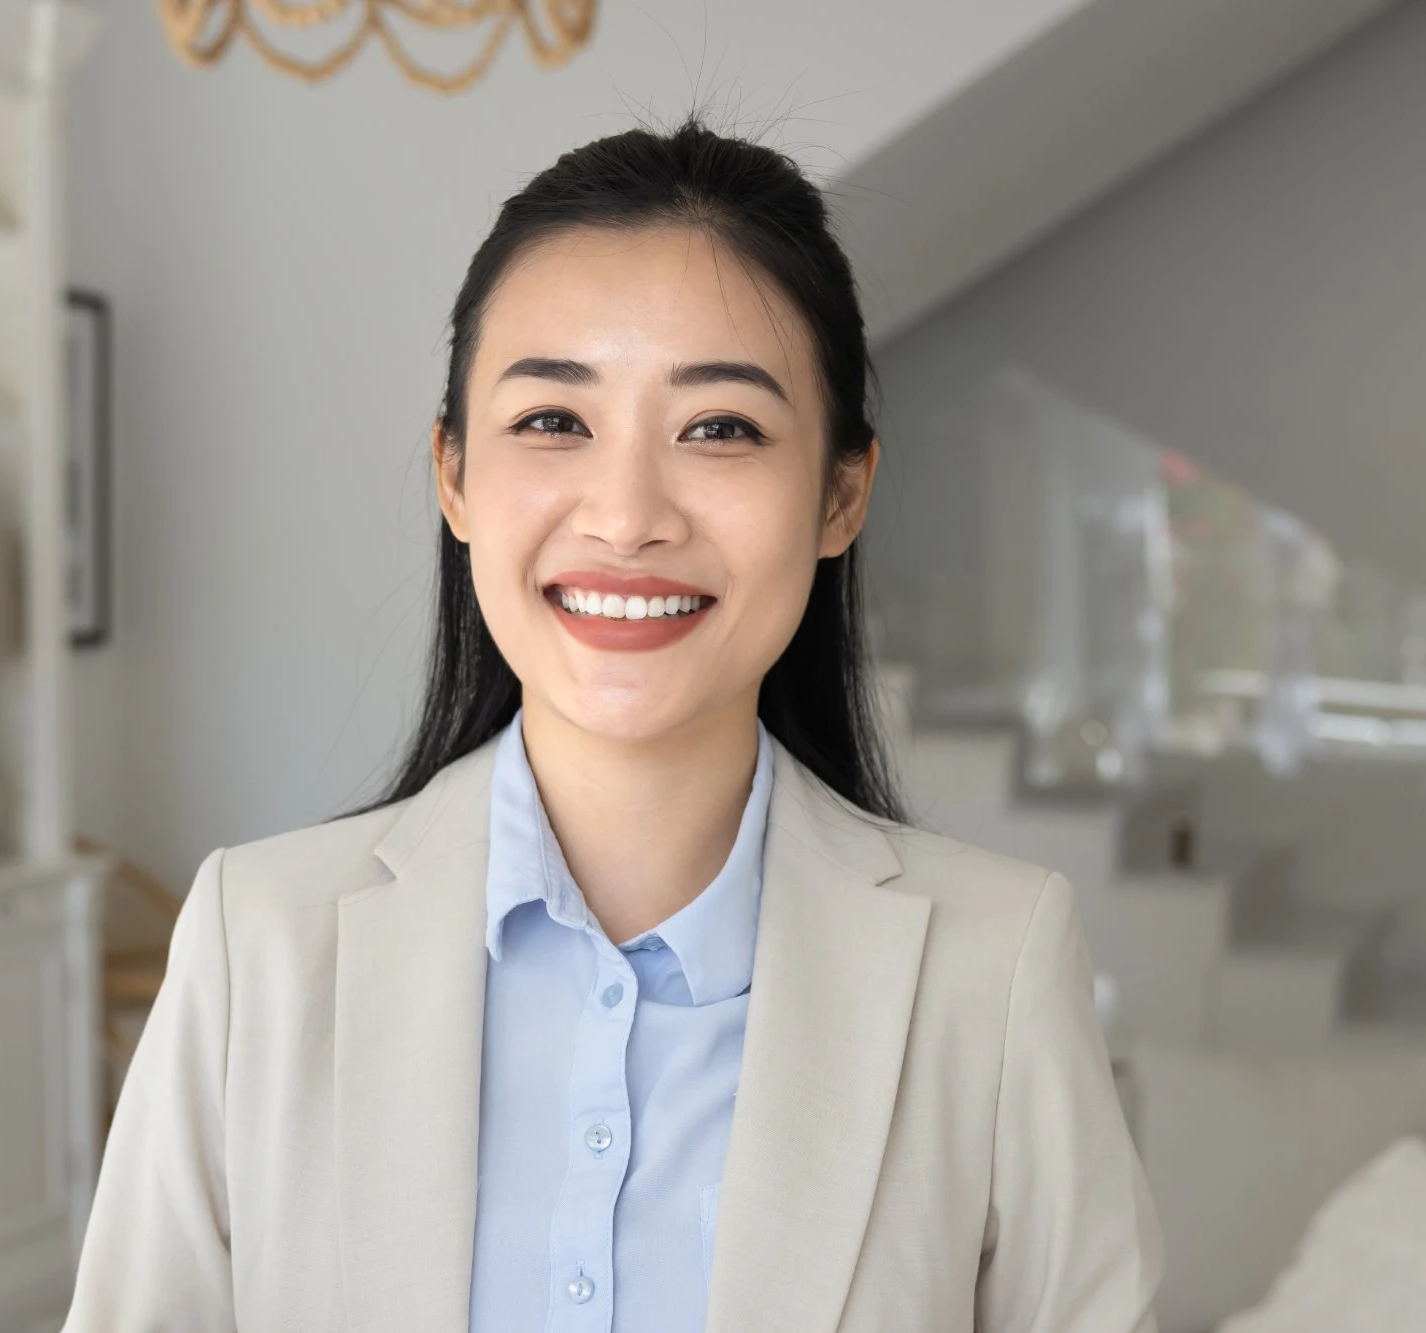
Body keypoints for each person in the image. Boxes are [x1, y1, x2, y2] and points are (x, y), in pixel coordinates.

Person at [63, 120, 1162, 1333]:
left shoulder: (991, 968)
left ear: (839, 494)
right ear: (453, 475)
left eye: (720, 427)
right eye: (552, 420)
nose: (627, 515)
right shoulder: (257, 941)